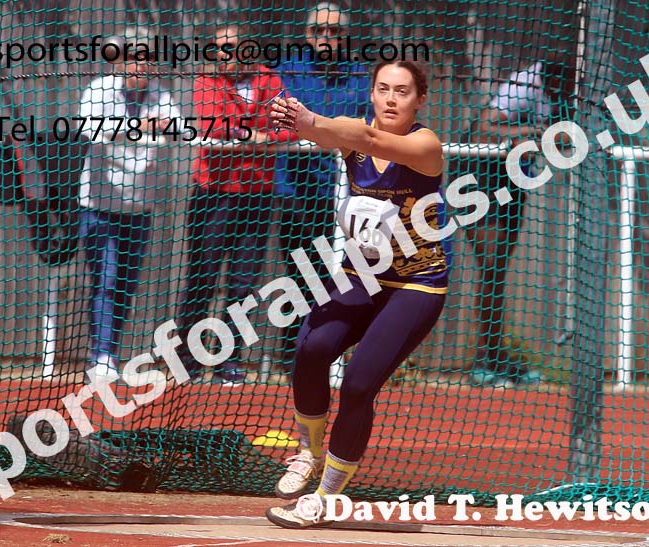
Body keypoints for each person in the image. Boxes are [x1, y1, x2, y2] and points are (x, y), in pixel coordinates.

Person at [265, 59, 450, 528]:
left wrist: (312, 123)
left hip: (416, 284)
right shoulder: (354, 131)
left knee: (359, 384)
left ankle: (325, 498)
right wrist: (297, 120)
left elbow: (367, 140)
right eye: (383, 89)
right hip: (361, 276)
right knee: (311, 348)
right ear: (371, 93)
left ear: (420, 99)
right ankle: (307, 452)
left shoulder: (424, 145)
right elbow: (336, 135)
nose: (391, 99)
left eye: (402, 91)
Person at [177, 22, 291, 386]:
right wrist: (254, 134)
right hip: (214, 194)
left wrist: (263, 135)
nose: (226, 56)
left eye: (234, 48)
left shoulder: (269, 81)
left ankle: (229, 360)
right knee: (203, 278)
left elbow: (290, 127)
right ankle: (189, 361)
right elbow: (211, 126)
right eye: (221, 49)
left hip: (257, 196)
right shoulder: (206, 80)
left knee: (243, 284)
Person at [460, 52, 575, 388]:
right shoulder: (525, 84)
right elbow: (484, 128)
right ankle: (485, 359)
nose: (567, 89)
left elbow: (565, 138)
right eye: (564, 83)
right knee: (491, 267)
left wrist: (541, 138)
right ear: (550, 76)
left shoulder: (567, 94)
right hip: (478, 178)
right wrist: (526, 132)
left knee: (499, 272)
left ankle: (495, 354)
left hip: (512, 182)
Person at [77, 27, 181, 381]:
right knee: (105, 279)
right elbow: (90, 129)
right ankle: (102, 354)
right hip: (98, 204)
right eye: (132, 56)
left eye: (146, 57)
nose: (139, 64)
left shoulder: (160, 95)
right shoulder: (99, 89)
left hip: (140, 207)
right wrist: (139, 124)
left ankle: (110, 350)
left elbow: (180, 128)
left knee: (126, 283)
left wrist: (163, 126)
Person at [274, 2, 371, 372]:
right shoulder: (289, 69)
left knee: (339, 275)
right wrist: (326, 128)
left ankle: (326, 353)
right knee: (298, 274)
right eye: (319, 31)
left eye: (335, 32)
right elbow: (288, 118)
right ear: (307, 33)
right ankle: (290, 357)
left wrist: (322, 128)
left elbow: (360, 124)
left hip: (344, 193)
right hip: (296, 191)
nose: (326, 38)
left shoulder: (359, 75)